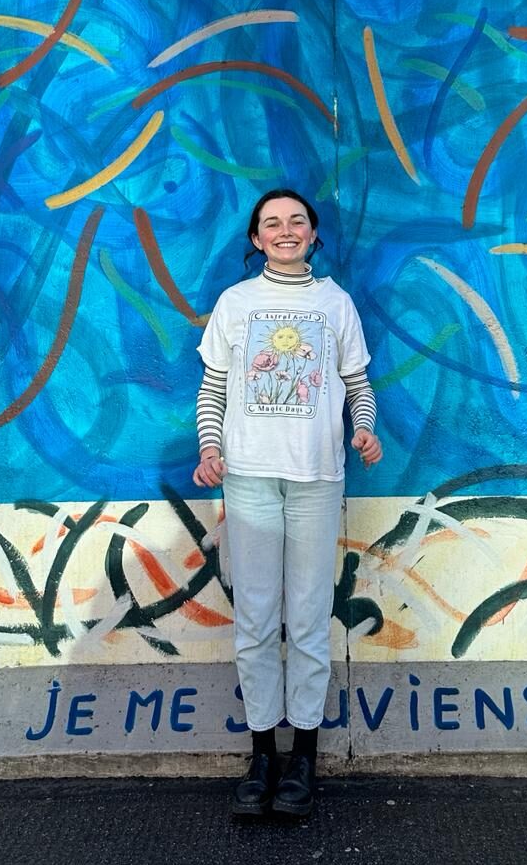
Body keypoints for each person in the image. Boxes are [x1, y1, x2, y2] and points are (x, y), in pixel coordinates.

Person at [193, 188, 382, 819]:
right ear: (255, 238)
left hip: (316, 480)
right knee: (254, 617)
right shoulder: (236, 304)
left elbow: (358, 384)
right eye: (271, 223)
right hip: (247, 479)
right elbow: (213, 388)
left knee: (306, 618)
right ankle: (260, 754)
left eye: (295, 221)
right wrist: (210, 449)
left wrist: (364, 429)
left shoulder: (335, 303)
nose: (284, 230)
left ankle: (304, 753)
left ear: (312, 233)